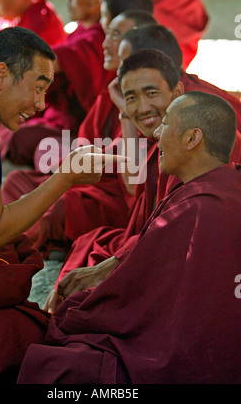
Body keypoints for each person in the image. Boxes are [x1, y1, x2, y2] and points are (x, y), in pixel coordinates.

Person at [18, 91, 241, 384]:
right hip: (200, 338)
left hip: (191, 357)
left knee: (57, 364)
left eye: (166, 124)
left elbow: (142, 300)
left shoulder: (200, 205)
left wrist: (80, 309)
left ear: (191, 139)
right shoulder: (215, 185)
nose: (157, 133)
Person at [0, 26, 126, 384]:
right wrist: (63, 178)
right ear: (1, 75)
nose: (42, 103)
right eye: (38, 85)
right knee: (15, 334)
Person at [44, 43, 241, 312]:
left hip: (189, 263)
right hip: (149, 235)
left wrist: (117, 262)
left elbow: (182, 230)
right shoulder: (165, 130)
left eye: (151, 93)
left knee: (83, 306)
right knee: (87, 242)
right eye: (131, 96)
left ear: (178, 90)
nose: (143, 106)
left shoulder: (200, 131)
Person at [1, 10, 158, 259]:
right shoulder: (111, 92)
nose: (105, 43)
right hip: (93, 181)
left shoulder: (152, 102)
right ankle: (33, 236)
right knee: (18, 181)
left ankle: (9, 239)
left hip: (116, 197)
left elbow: (132, 185)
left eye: (115, 36)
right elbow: (86, 144)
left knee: (58, 207)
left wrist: (125, 113)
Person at [0, 0, 117, 167]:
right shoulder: (79, 30)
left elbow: (51, 60)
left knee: (18, 137)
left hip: (82, 125)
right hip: (57, 113)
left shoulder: (97, 38)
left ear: (96, 3)